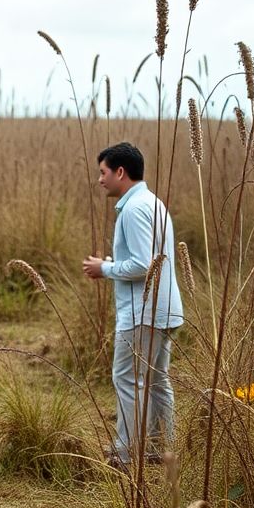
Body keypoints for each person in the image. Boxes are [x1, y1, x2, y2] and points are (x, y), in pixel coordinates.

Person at [81, 142, 183, 469]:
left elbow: (143, 264)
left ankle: (125, 455)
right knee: (156, 381)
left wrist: (105, 269)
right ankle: (160, 449)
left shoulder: (135, 209)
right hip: (164, 310)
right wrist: (113, 263)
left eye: (103, 172)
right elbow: (149, 260)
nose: (100, 180)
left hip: (144, 313)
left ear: (120, 172)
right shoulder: (153, 204)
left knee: (127, 379)